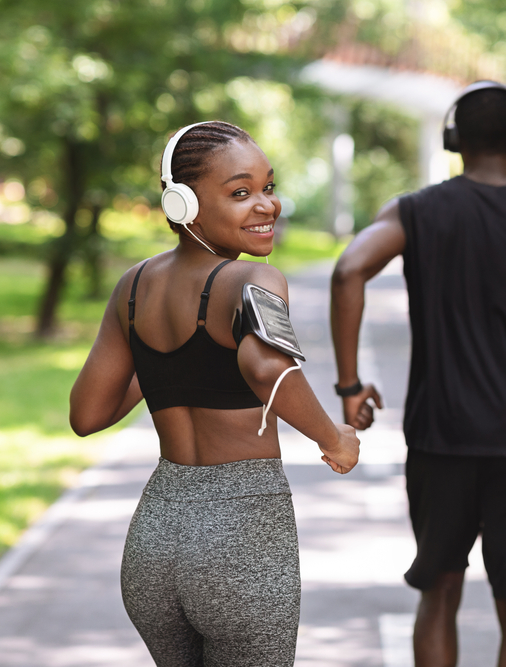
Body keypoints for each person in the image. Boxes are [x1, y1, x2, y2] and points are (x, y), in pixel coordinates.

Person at [70, 120, 360, 667]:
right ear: (183, 204)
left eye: (268, 188)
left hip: (154, 540)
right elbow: (265, 365)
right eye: (240, 193)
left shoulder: (132, 288)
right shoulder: (254, 281)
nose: (266, 205)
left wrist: (161, 357)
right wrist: (333, 439)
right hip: (241, 541)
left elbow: (87, 413)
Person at [330, 82, 506, 667]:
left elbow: (349, 270)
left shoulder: (414, 212)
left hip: (441, 435)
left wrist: (349, 387)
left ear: (454, 139)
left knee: (440, 592)